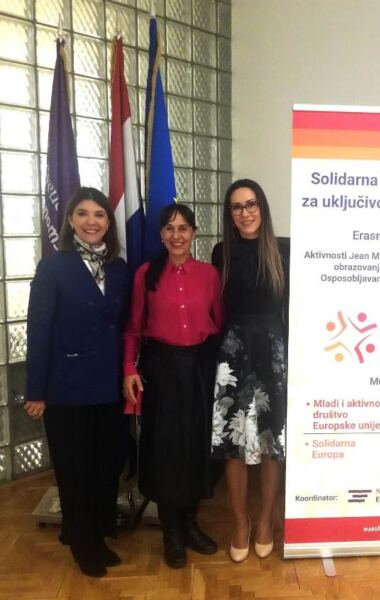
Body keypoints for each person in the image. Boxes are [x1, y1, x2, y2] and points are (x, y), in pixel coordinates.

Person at [24, 187, 130, 578]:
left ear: (108, 222)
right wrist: (36, 390)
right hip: (66, 388)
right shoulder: (53, 267)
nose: (91, 221)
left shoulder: (118, 269)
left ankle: (92, 530)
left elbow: (124, 326)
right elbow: (38, 330)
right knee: (74, 469)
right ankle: (85, 544)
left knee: (106, 464)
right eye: (82, 214)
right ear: (70, 221)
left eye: (99, 214)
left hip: (109, 385)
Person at [123, 203, 223, 569]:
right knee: (166, 451)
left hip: (199, 369)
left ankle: (190, 524)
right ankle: (171, 531)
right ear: (161, 235)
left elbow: (219, 322)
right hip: (161, 372)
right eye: (169, 228)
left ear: (193, 233)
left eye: (183, 228)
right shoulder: (145, 275)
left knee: (195, 447)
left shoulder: (209, 275)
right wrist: (128, 369)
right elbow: (133, 328)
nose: (176, 235)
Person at [211, 178, 289, 562]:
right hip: (234, 351)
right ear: (230, 214)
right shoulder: (221, 252)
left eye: (251, 204)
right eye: (237, 206)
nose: (245, 213)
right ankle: (240, 521)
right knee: (235, 443)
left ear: (263, 207)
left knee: (271, 442)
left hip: (274, 350)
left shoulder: (284, 249)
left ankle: (265, 520)